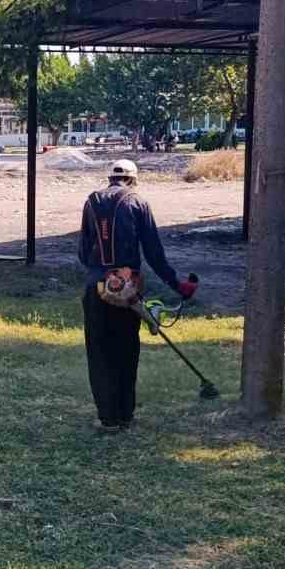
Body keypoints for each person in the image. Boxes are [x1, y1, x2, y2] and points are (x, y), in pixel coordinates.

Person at [77, 159, 195, 432]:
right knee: (126, 351)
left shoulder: (91, 201)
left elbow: (83, 251)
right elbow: (153, 253)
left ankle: (107, 418)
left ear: (111, 178)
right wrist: (178, 286)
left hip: (96, 288)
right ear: (133, 179)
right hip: (127, 291)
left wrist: (100, 271)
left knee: (99, 353)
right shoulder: (137, 202)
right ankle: (125, 415)